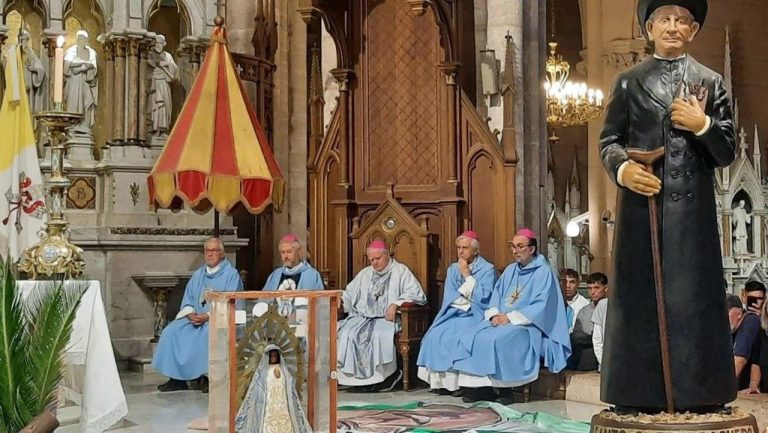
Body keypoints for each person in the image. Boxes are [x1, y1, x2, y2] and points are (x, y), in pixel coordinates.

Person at [599, 0, 737, 413]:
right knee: (640, 301)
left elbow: (727, 151)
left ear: (694, 30)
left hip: (692, 217)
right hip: (644, 210)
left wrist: (704, 126)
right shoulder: (628, 82)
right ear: (649, 28)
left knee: (693, 301)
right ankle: (636, 395)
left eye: (682, 21)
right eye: (664, 20)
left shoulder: (711, 82)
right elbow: (609, 141)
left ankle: (701, 395)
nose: (673, 27)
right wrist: (623, 170)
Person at [452, 228, 571, 403]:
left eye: (520, 246)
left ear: (531, 249)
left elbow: (542, 305)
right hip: (501, 320)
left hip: (528, 325)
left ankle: (505, 390)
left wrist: (510, 318)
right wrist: (493, 315)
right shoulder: (510, 270)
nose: (515, 251)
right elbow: (496, 295)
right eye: (513, 246)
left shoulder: (543, 272)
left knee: (499, 339)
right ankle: (481, 387)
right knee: (474, 335)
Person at [152, 238, 242, 393]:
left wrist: (208, 316)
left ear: (222, 253)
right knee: (171, 331)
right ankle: (177, 379)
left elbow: (232, 302)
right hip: (194, 319)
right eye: (208, 250)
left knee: (209, 332)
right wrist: (189, 313)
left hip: (218, 319)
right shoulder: (198, 275)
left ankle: (209, 378)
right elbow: (187, 299)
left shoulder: (231, 274)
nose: (211, 254)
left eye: (214, 250)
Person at [337, 239, 426, 391]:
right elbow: (349, 295)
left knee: (378, 334)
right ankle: (355, 381)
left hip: (388, 319)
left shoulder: (400, 271)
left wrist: (397, 303)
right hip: (362, 316)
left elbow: (416, 294)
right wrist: (341, 298)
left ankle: (385, 378)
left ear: (387, 255)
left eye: (378, 259)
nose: (374, 263)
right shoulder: (365, 273)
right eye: (371, 260)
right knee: (346, 332)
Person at [417, 230, 497, 393]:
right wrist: (463, 299)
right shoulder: (453, 269)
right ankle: (444, 384)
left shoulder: (488, 269)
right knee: (435, 335)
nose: (460, 251)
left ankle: (460, 384)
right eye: (458, 248)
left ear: (476, 250)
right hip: (454, 312)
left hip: (476, 314)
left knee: (459, 337)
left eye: (465, 248)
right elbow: (450, 295)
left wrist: (466, 274)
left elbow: (485, 296)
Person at [235, 345, 312, 433]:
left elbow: (289, 388)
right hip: (268, 403)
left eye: (275, 356)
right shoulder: (263, 372)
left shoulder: (284, 371)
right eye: (271, 356)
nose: (273, 358)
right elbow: (258, 388)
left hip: (282, 403)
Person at [262, 234, 324, 318]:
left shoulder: (312, 275)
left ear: (298, 252)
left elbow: (320, 305)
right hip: (275, 324)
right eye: (282, 252)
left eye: (289, 251)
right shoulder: (275, 275)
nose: (285, 256)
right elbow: (263, 300)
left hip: (302, 323)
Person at [567, 272, 608, 371]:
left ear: (605, 288)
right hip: (587, 357)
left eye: (596, 288)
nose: (593, 292)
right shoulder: (584, 311)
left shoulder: (611, 308)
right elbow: (577, 335)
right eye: (590, 288)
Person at [732, 281, 765, 393]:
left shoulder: (752, 321)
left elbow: (741, 358)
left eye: (760, 299)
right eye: (752, 298)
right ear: (744, 296)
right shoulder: (745, 318)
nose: (756, 303)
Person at [63, 30, 98, 134]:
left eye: (83, 38)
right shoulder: (71, 50)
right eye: (79, 38)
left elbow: (92, 65)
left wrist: (80, 68)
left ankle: (83, 125)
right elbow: (67, 64)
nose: (80, 40)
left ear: (86, 40)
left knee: (86, 101)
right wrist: (83, 64)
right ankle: (72, 126)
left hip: (85, 81)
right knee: (73, 101)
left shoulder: (91, 52)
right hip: (73, 81)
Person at [147, 34, 178, 134]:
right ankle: (153, 128)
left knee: (164, 105)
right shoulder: (149, 54)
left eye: (160, 42)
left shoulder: (168, 56)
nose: (158, 45)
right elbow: (147, 65)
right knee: (155, 105)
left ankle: (163, 129)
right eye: (156, 42)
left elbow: (175, 70)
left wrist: (168, 65)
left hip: (164, 82)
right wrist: (159, 64)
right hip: (154, 83)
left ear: (164, 44)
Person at [19, 30, 45, 114]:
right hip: (17, 86)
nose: (23, 42)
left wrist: (34, 68)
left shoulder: (30, 53)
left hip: (27, 86)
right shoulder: (15, 52)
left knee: (27, 107)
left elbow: (41, 68)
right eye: (21, 40)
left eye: (24, 40)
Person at [563, 268, 589, 333]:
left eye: (572, 282)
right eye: (565, 282)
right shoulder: (554, 303)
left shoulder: (584, 305)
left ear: (578, 284)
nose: (568, 286)